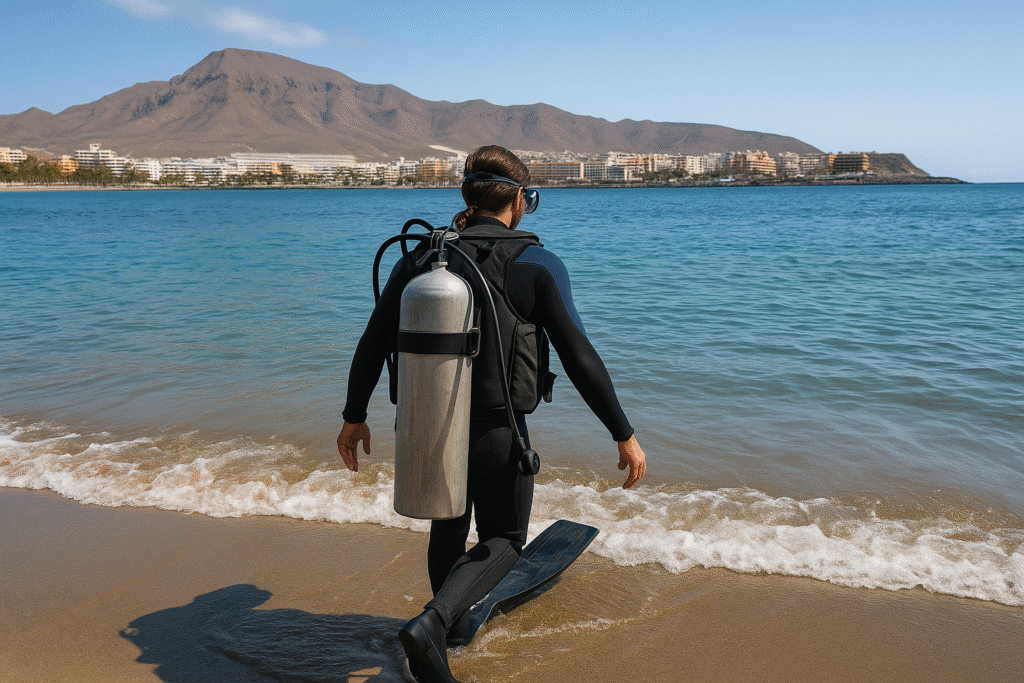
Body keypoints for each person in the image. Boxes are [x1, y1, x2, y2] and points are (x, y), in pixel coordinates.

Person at [337, 145, 646, 683]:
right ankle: (434, 623)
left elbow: (373, 339)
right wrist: (623, 433)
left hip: (427, 421)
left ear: (467, 197)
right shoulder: (536, 263)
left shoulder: (422, 259)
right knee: (504, 538)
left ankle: (448, 629)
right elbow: (579, 354)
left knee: (448, 522)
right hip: (498, 428)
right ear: (520, 200)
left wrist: (353, 414)